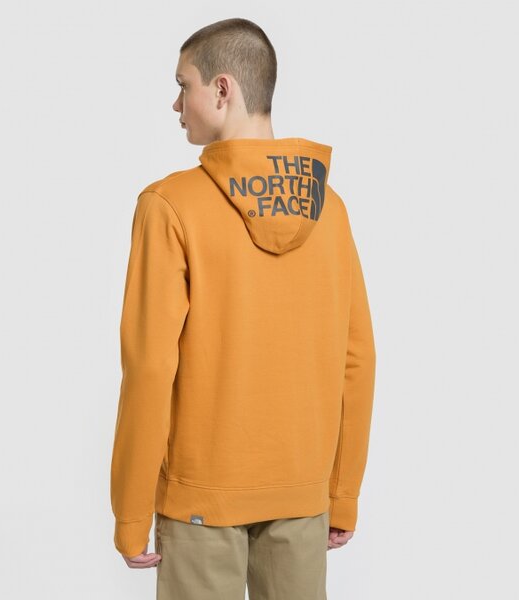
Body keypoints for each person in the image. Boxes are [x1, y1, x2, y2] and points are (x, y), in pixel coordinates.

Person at [110, 17, 376, 600]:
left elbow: (150, 367)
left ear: (222, 89)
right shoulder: (329, 209)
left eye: (183, 85)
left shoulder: (169, 205)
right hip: (303, 496)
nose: (176, 103)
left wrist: (130, 513)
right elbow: (357, 359)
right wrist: (342, 494)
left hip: (201, 500)